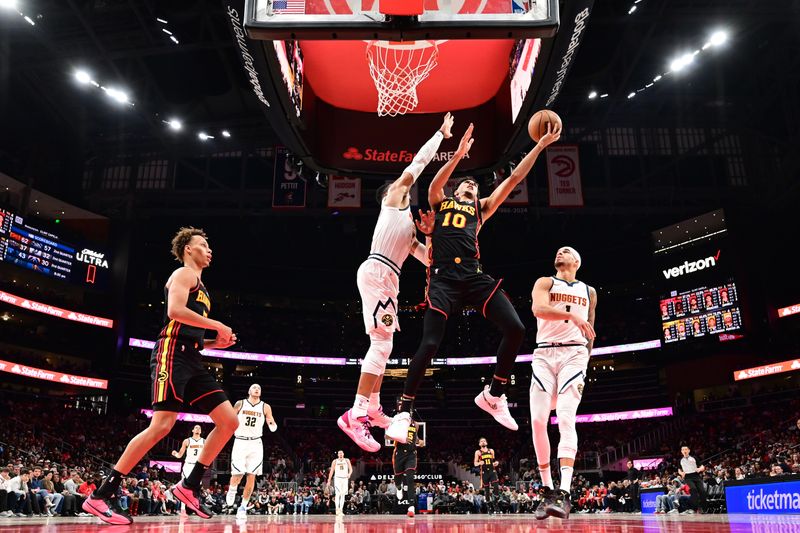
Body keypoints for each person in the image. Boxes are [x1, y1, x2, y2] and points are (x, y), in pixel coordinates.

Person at [388, 121, 562, 441]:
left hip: (473, 275)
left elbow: (514, 178)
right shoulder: (442, 202)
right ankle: (403, 410)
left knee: (517, 328)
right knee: (428, 344)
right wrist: (457, 156)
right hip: (442, 279)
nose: (471, 185)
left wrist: (539, 146)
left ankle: (494, 394)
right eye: (466, 183)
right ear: (457, 190)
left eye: (475, 185)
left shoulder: (481, 208)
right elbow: (433, 187)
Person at [84, 227, 240, 524]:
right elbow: (174, 311)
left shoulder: (202, 286)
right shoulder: (184, 274)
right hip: (171, 354)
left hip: (191, 356)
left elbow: (188, 330)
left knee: (229, 421)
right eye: (203, 245)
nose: (209, 250)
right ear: (188, 250)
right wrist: (217, 325)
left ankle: (189, 486)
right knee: (162, 426)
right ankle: (101, 495)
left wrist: (212, 342)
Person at [338, 114, 453, 452]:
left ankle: (372, 409)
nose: (407, 186)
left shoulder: (408, 228)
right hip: (377, 271)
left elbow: (429, 259)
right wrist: (440, 135)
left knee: (385, 345)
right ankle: (355, 413)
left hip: (389, 279)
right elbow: (416, 164)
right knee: (381, 345)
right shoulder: (393, 200)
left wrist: (431, 235)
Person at [529, 246, 597, 520]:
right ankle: (547, 490)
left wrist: (586, 359)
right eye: (557, 251)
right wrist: (571, 316)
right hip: (544, 352)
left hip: (574, 353)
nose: (560, 252)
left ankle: (564, 493)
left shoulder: (589, 291)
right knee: (537, 420)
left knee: (566, 416)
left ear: (577, 261)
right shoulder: (545, 282)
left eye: (566, 251)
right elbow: (538, 309)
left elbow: (590, 330)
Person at [226, 383, 277, 520]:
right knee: (238, 474)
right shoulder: (240, 403)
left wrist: (272, 424)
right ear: (249, 391)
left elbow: (270, 420)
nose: (257, 389)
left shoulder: (265, 406)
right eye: (254, 387)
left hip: (256, 443)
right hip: (240, 441)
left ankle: (242, 507)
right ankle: (232, 489)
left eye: (259, 388)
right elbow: (229, 416)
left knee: (251, 476)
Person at [393, 417, 422, 516]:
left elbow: (415, 438)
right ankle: (399, 488)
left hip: (411, 454)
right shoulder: (397, 422)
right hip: (400, 453)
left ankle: (411, 506)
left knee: (410, 478)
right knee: (398, 478)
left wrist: (419, 441)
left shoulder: (416, 424)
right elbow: (387, 436)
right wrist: (400, 438)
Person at [678, 445, 706, 514]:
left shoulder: (694, 458)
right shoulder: (680, 460)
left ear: (689, 450)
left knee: (702, 491)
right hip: (688, 477)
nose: (684, 451)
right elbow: (679, 470)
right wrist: (681, 473)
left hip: (696, 476)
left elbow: (702, 466)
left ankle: (703, 508)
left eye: (686, 449)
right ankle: (694, 508)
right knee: (693, 489)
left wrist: (700, 469)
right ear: (681, 452)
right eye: (683, 450)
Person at [474, 438, 500, 512]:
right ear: (479, 444)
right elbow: (475, 463)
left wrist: (496, 463)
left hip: (492, 471)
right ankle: (489, 506)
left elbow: (494, 461)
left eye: (484, 441)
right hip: (484, 472)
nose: (483, 442)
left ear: (487, 443)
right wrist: (479, 463)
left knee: (496, 487)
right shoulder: (478, 452)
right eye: (481, 441)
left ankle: (495, 501)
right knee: (487, 490)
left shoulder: (491, 451)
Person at [327, 451, 352, 516]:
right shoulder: (335, 461)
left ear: (343, 454)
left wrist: (349, 474)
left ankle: (341, 510)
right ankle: (337, 509)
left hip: (345, 479)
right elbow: (331, 471)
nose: (340, 454)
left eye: (341, 453)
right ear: (338, 454)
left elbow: (351, 469)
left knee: (343, 495)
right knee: (338, 494)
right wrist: (329, 480)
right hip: (337, 478)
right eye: (339, 453)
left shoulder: (347, 460)